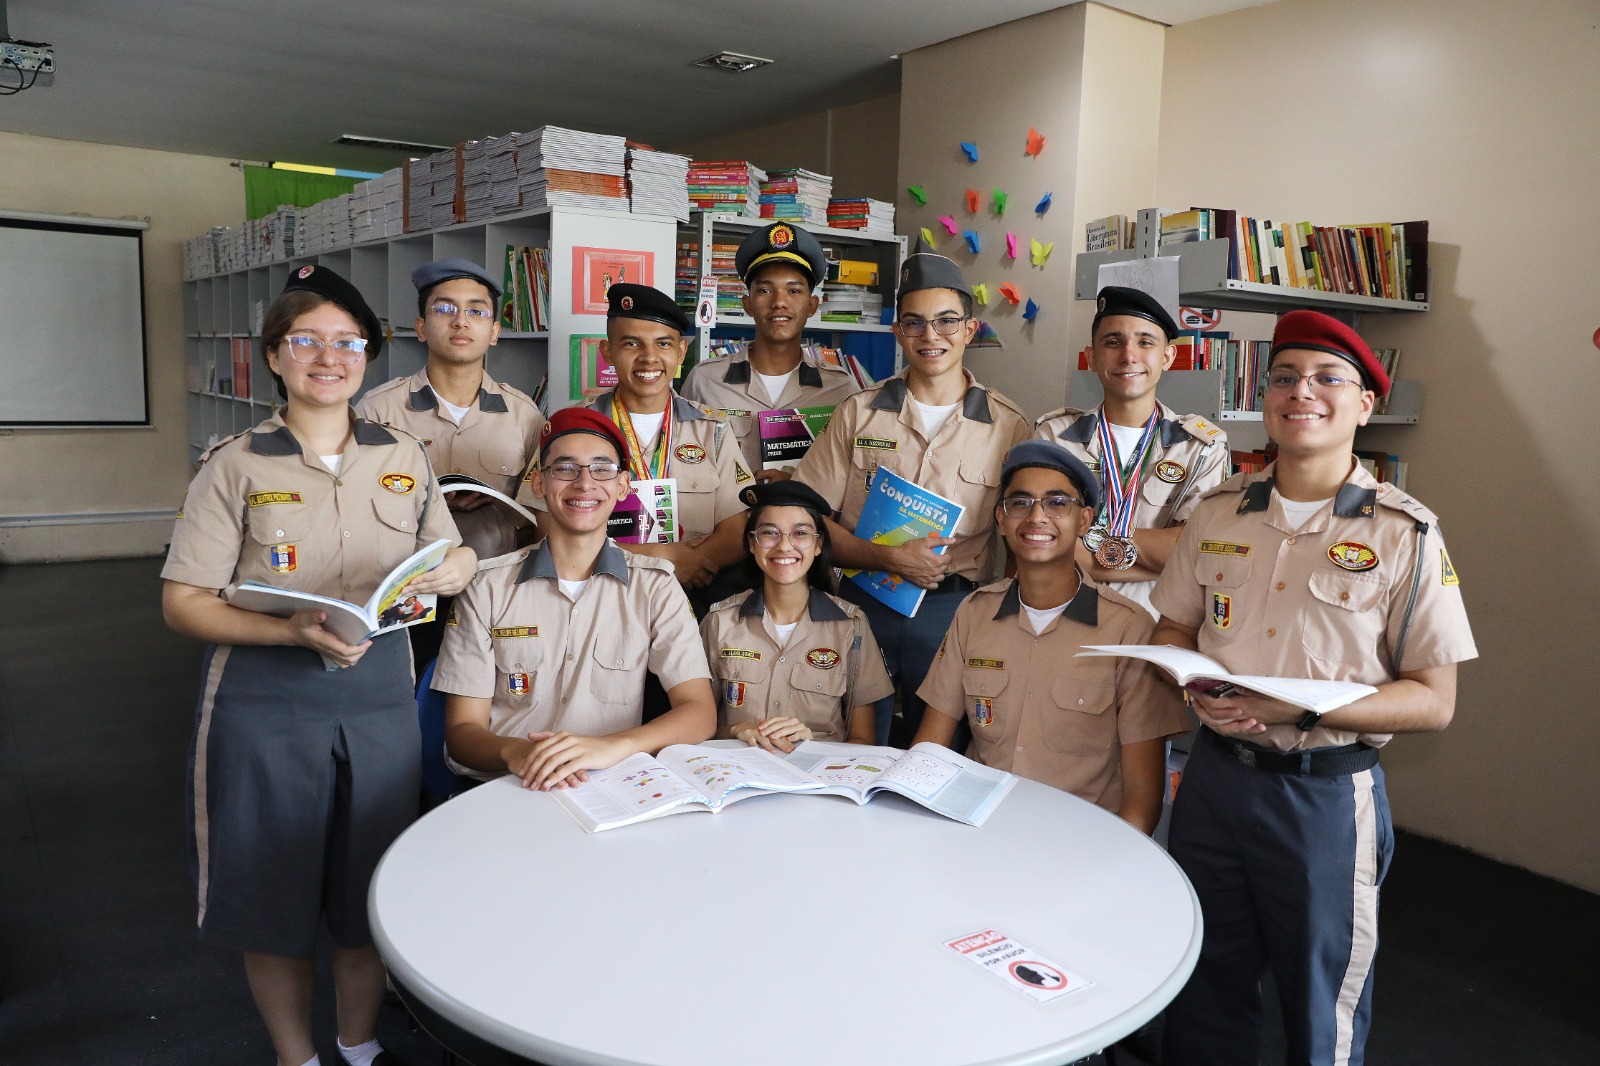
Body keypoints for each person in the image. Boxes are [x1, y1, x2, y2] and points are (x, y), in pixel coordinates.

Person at [161, 265, 477, 1066]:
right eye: (306, 341)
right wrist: (291, 632)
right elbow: (184, 603)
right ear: (274, 355)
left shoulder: (405, 454)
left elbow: (452, 550)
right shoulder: (234, 463)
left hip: (378, 697)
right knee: (270, 894)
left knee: (370, 883)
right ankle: (296, 1056)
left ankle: (359, 1045)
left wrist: (455, 568)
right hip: (264, 700)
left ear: (368, 355)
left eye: (348, 343)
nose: (328, 358)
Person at [1151, 310, 1477, 1065]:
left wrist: (1295, 706)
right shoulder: (1217, 513)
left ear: (1365, 404)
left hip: (1323, 798)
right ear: (1265, 397)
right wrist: (1194, 685)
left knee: (1320, 998)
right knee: (1200, 977)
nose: (1302, 392)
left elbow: (1434, 700)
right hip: (1212, 783)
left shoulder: (1405, 533)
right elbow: (1171, 630)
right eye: (1285, 377)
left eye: (1329, 378)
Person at [794, 238, 1031, 746]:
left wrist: (1007, 620)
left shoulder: (1008, 426)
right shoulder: (858, 413)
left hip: (956, 610)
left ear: (969, 330)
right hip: (862, 602)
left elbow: (1022, 539)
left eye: (946, 321)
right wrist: (888, 558)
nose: (931, 336)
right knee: (852, 744)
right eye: (915, 323)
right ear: (898, 331)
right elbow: (806, 520)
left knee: (943, 753)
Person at [913, 440, 1190, 833]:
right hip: (977, 830)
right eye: (1020, 503)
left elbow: (1141, 805)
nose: (1036, 517)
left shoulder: (1129, 629)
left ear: (1084, 521)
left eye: (1057, 503)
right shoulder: (974, 613)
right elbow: (930, 750)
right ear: (1001, 519)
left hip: (1077, 842)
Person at [437, 406, 717, 788]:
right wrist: (518, 753)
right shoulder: (487, 588)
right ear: (539, 484)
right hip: (509, 786)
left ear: (623, 485)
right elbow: (462, 733)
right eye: (565, 468)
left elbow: (700, 712)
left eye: (602, 469)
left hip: (610, 784)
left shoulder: (655, 587)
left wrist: (611, 747)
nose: (584, 483)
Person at [517, 283, 752, 604]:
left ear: (681, 352)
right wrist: (657, 560)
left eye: (663, 343)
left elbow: (736, 532)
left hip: (694, 594)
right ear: (607, 351)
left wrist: (689, 565)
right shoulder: (568, 428)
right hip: (597, 596)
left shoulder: (713, 429)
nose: (649, 358)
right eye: (631, 343)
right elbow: (545, 528)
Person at [1034, 285, 1229, 617]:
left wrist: (1089, 548)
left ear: (1168, 357)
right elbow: (1039, 544)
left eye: (1145, 342)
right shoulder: (1053, 437)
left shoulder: (1202, 447)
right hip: (1063, 620)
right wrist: (1159, 554)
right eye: (1113, 342)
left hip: (1157, 626)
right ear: (1092, 357)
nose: (1128, 356)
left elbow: (1198, 551)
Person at [357, 257, 545, 561]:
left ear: (494, 332)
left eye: (476, 311)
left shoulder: (524, 415)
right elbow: (353, 504)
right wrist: (427, 504)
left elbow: (538, 513)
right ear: (421, 328)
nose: (460, 321)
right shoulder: (378, 411)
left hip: (496, 575)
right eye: (445, 309)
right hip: (408, 575)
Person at [700, 480, 893, 752]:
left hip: (818, 773)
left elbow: (864, 741)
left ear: (818, 544)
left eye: (800, 533)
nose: (784, 546)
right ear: (752, 543)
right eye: (770, 533)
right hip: (739, 771)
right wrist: (734, 730)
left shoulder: (851, 626)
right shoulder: (720, 622)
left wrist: (812, 745)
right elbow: (697, 730)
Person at [679, 222, 862, 478]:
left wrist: (798, 484)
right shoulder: (705, 381)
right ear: (748, 304)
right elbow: (685, 464)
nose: (779, 302)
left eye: (794, 290)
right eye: (765, 290)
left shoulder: (840, 388)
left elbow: (849, 478)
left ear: (812, 305)